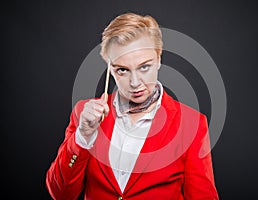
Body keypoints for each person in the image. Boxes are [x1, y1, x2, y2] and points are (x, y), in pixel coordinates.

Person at [46, 12, 219, 200]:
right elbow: (60, 194)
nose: (135, 82)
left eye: (144, 67)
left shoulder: (191, 124)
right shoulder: (84, 114)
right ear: (110, 67)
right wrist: (83, 136)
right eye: (122, 70)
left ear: (159, 59)